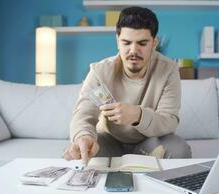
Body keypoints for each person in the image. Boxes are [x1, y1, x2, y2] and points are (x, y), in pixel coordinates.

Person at [62, 6, 191, 164]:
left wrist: (138, 115)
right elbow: (84, 114)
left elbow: (169, 121)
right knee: (77, 153)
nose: (133, 51)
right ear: (118, 41)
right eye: (126, 42)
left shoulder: (168, 70)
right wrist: (84, 136)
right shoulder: (99, 72)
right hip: (108, 141)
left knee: (179, 149)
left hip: (148, 142)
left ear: (154, 42)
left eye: (142, 43)